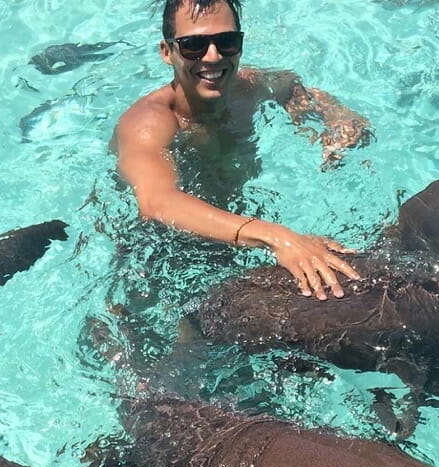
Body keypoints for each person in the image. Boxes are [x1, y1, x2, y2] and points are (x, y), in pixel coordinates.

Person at [113, 0, 371, 300]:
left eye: (226, 42)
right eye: (193, 46)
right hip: (154, 251)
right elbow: (157, 202)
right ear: (166, 52)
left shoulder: (247, 88)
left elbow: (292, 86)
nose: (213, 56)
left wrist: (335, 116)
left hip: (238, 228)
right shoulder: (150, 124)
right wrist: (278, 238)